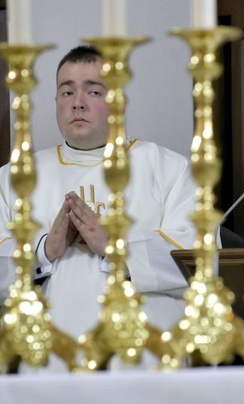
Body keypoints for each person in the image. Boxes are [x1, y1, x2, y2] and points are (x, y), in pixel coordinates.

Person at [0, 45, 197, 370]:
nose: (77, 102)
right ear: (55, 103)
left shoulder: (169, 169)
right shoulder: (15, 178)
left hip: (143, 361)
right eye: (66, 92)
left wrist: (114, 248)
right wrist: (44, 250)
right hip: (43, 362)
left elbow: (204, 261)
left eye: (93, 90)